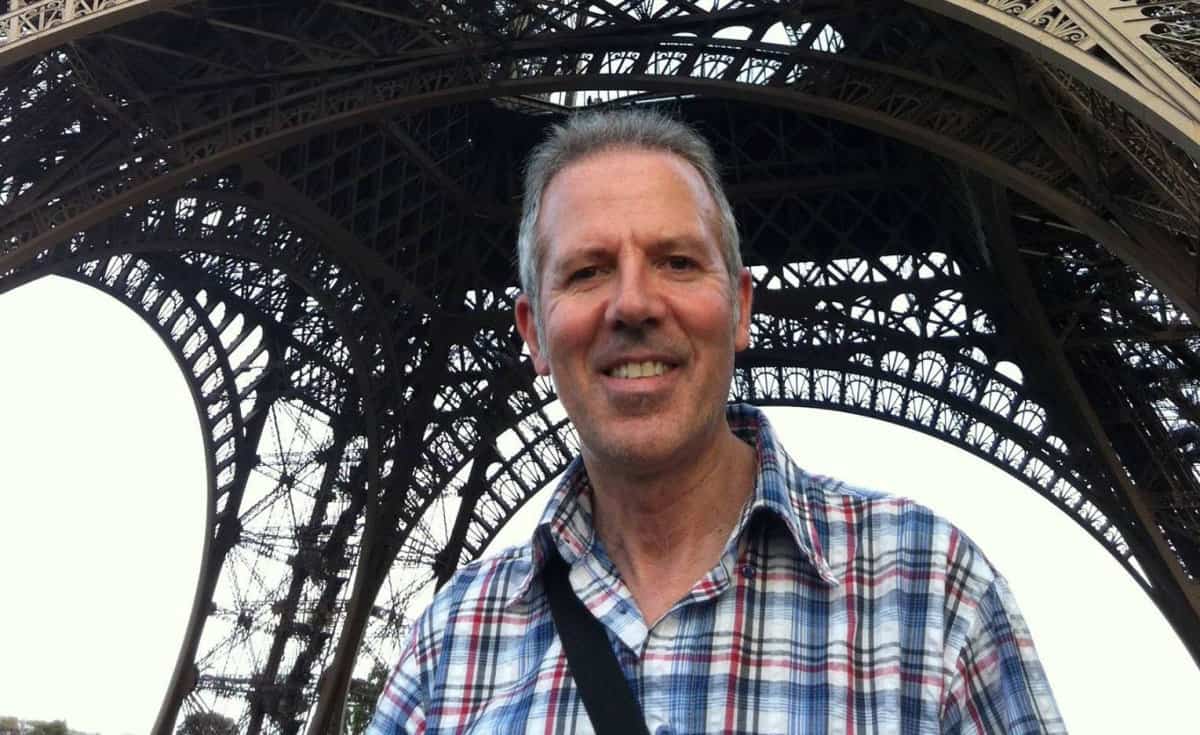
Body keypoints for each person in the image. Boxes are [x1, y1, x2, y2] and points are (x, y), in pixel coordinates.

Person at [368, 109, 1065, 734]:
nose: (633, 304)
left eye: (677, 262)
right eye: (587, 272)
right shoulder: (448, 643)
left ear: (740, 307)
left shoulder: (932, 590)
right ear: (533, 333)